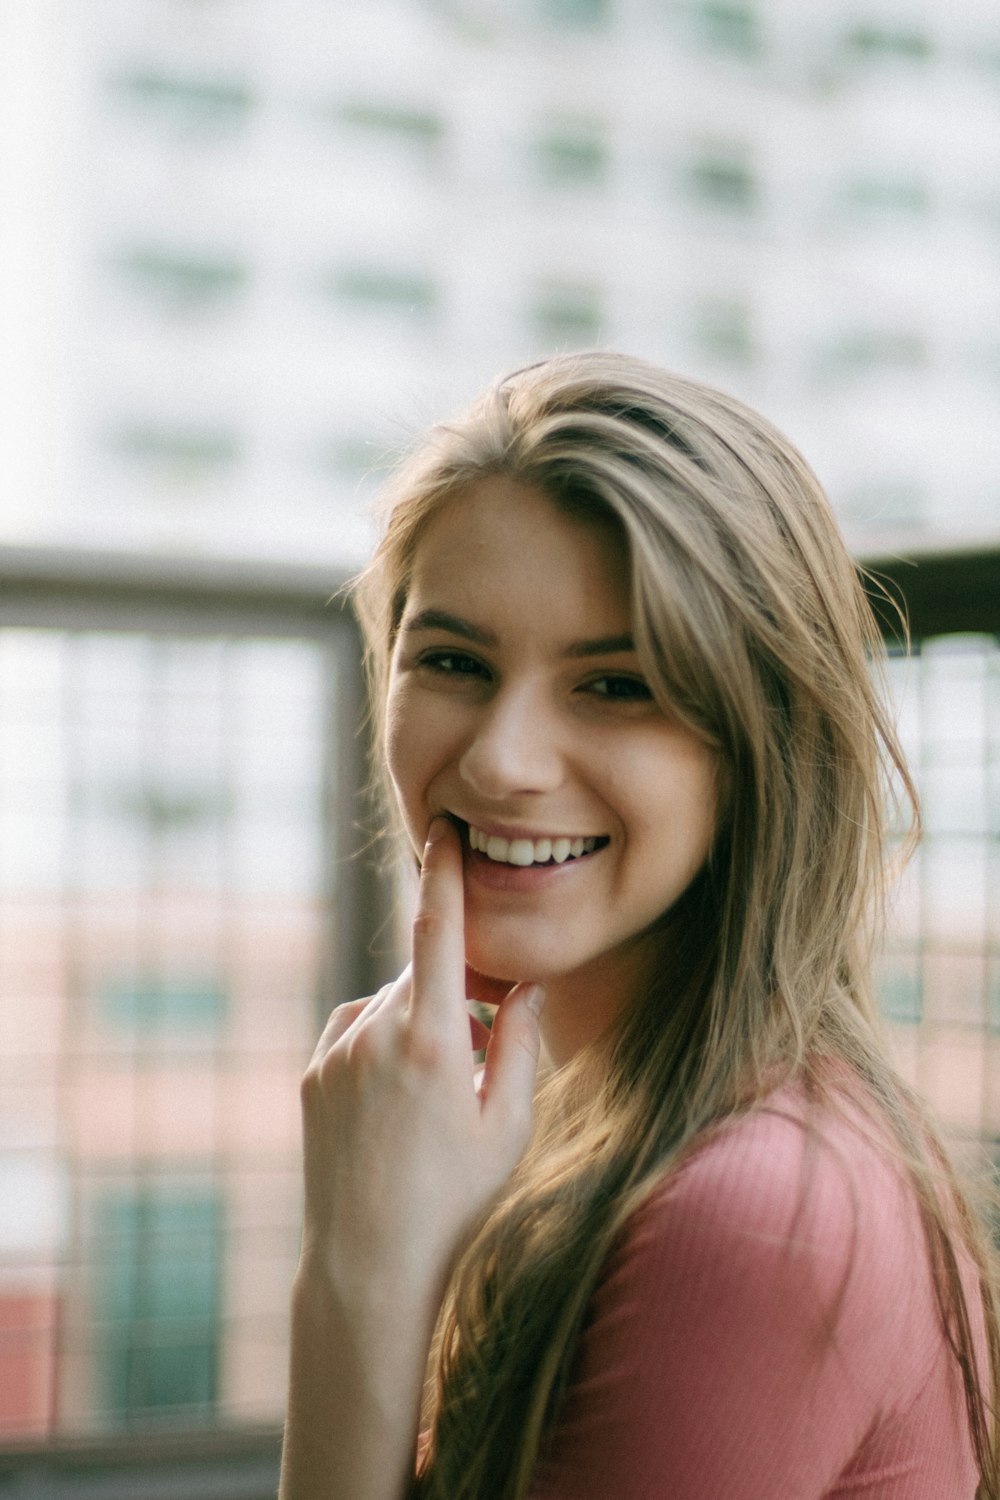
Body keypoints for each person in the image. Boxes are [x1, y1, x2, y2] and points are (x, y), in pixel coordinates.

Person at [278, 352, 999, 1500]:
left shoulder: (752, 1224)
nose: (502, 761)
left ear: (760, 739)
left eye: (615, 685)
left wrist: (353, 1290)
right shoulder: (576, 1122)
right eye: (455, 662)